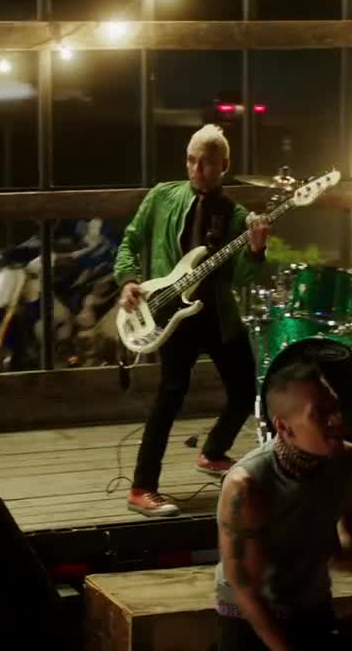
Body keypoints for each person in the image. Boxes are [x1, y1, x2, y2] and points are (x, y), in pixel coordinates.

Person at [115, 124, 270, 517]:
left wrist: (256, 250)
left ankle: (213, 452)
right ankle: (141, 488)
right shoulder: (162, 196)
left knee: (244, 390)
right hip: (172, 312)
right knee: (170, 395)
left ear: (224, 166)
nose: (197, 169)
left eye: (207, 162)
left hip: (217, 314)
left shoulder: (236, 215)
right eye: (191, 160)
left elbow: (242, 278)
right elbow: (130, 241)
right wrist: (129, 280)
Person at [213, 360, 352, 651]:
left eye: (335, 408)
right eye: (320, 414)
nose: (337, 420)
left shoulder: (348, 460)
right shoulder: (247, 485)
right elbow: (245, 590)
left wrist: (348, 546)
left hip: (312, 602)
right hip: (251, 619)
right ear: (283, 427)